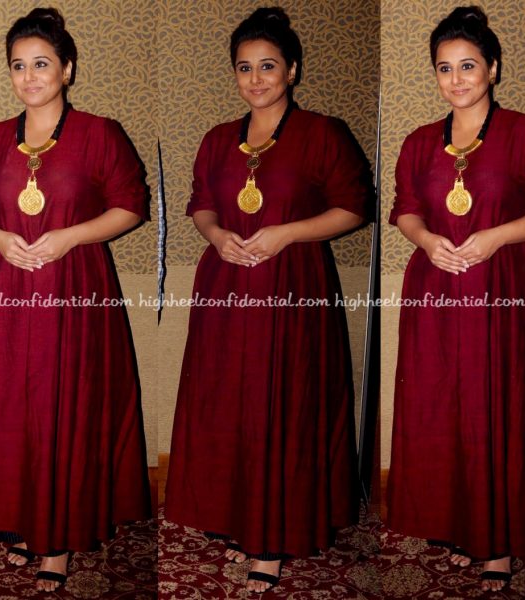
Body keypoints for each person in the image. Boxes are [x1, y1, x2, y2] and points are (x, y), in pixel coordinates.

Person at [164, 6, 374, 594]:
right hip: (226, 286)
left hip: (292, 286)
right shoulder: (216, 139)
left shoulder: (323, 133)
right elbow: (202, 204)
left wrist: (286, 233)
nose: (256, 78)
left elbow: (354, 208)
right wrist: (215, 235)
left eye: (268, 65)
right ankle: (237, 515)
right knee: (230, 401)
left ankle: (273, 538)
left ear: (292, 70)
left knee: (284, 401)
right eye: (244, 67)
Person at [0, 8, 151, 593]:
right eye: (18, 66)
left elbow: (130, 206)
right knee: (10, 405)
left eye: (41, 64)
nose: (29, 76)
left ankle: (57, 539)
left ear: (67, 68)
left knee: (68, 404)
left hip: (74, 286)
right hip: (6, 289)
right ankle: (21, 519)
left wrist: (69, 236)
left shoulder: (100, 133)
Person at [386, 5, 525, 593]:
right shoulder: (419, 142)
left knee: (501, 403)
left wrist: (496, 236)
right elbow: (405, 210)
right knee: (443, 404)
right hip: (436, 290)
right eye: (444, 68)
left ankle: (498, 540)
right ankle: (454, 522)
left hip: (504, 288)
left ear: (493, 68)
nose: (456, 79)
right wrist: (426, 241)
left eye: (468, 65)